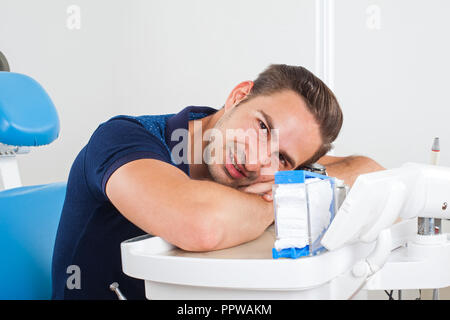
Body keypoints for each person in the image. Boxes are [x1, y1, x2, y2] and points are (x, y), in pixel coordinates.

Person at [51, 64, 384, 300]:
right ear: (239, 96)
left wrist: (289, 178)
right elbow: (200, 225)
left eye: (281, 158)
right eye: (263, 127)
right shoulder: (122, 137)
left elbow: (371, 172)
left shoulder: (249, 158)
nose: (255, 161)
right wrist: (285, 194)